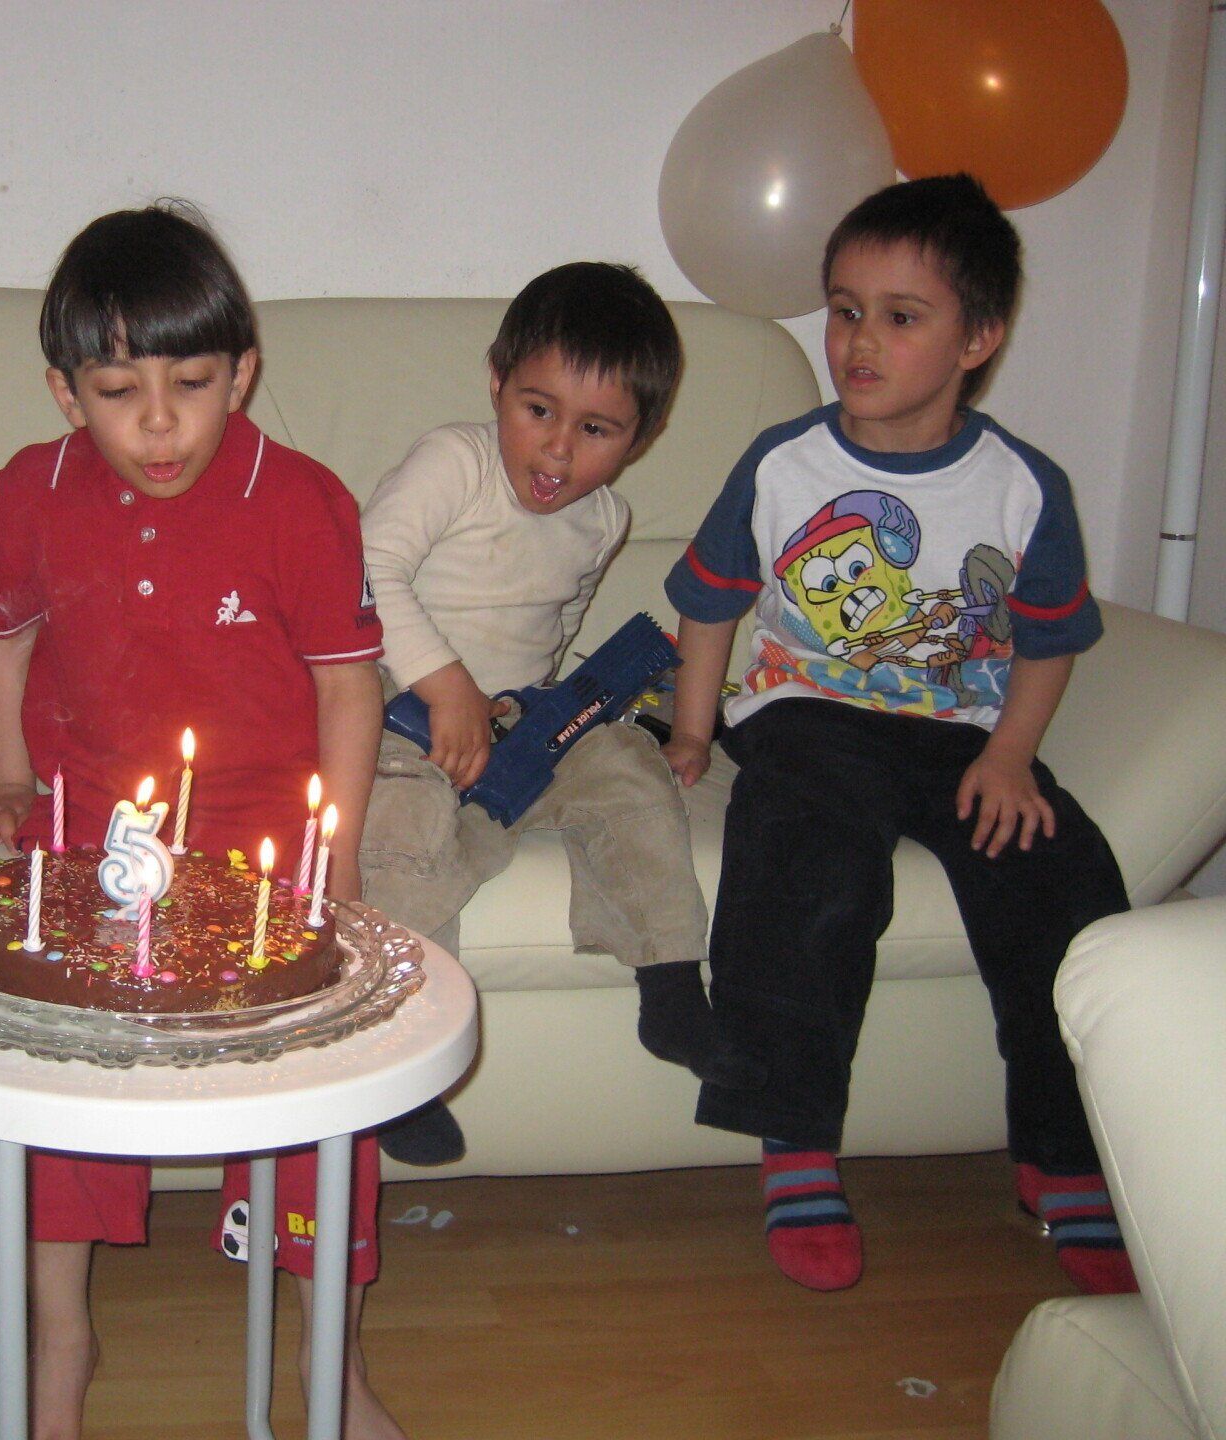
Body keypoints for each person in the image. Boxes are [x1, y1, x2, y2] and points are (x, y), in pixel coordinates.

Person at [0, 203, 403, 1439]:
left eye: (192, 385)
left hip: (262, 843)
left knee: (325, 1080)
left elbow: (347, 686)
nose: (158, 425)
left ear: (242, 374)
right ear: (66, 393)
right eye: (118, 392)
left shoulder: (301, 500)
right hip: (94, 835)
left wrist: (338, 860)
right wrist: (12, 781)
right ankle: (63, 1332)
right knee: (57, 1065)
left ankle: (328, 1356)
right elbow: (5, 641)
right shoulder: (33, 490)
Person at [663, 174, 1137, 1296]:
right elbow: (712, 601)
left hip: (961, 735)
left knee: (1067, 880)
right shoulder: (785, 462)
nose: (858, 341)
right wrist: (693, 731)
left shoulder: (1023, 486)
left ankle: (1066, 1152)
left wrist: (1010, 756)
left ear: (978, 338)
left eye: (900, 316)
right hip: (806, 716)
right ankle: (795, 1136)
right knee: (810, 860)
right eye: (843, 309)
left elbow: (1048, 640)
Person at [361, 262, 763, 1170]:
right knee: (400, 827)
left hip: (521, 721)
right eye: (537, 410)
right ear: (496, 381)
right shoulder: (455, 462)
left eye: (595, 430)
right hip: (401, 710)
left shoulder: (605, 519)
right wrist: (446, 686)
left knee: (626, 767)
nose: (555, 451)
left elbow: (555, 623)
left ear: (641, 437)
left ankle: (670, 983)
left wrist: (565, 716)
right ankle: (402, 1050)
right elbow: (365, 569)